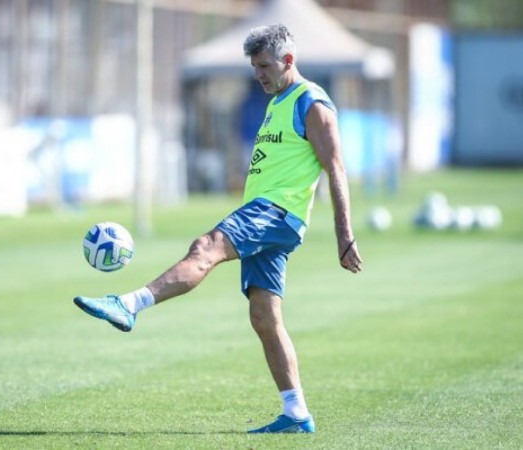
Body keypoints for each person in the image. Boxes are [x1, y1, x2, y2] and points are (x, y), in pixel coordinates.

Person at [73, 23, 363, 434]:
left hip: (275, 212)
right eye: (254, 67)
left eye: (264, 66)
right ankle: (296, 413)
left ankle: (129, 304)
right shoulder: (277, 102)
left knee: (205, 247)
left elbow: (335, 166)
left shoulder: (311, 102)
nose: (258, 74)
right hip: (269, 214)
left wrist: (344, 235)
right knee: (264, 315)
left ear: (289, 61)